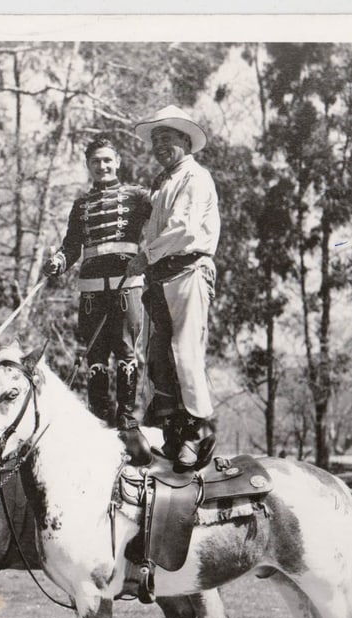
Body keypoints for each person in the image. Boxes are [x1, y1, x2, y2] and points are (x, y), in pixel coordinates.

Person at [45, 136, 153, 465]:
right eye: (96, 161)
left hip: (127, 285)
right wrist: (58, 263)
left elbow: (161, 227)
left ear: (117, 161)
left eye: (107, 160)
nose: (103, 166)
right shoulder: (80, 206)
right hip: (91, 288)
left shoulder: (138, 197)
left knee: (126, 351)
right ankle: (98, 417)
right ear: (88, 166)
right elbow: (71, 245)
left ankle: (128, 418)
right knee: (95, 354)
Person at [126, 105, 221, 472]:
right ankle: (173, 435)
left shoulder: (195, 177)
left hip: (187, 270)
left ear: (186, 140)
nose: (160, 145)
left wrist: (144, 256)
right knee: (160, 357)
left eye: (168, 138)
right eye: (156, 140)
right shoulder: (161, 183)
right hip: (160, 276)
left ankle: (196, 435)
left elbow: (183, 229)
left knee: (185, 352)